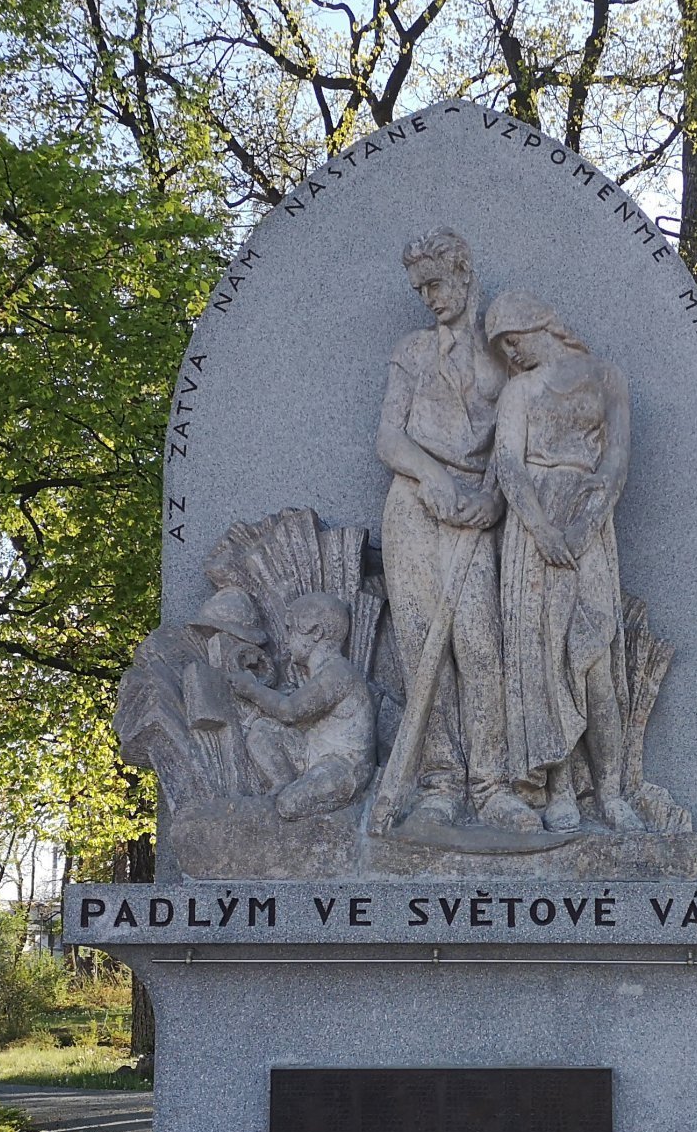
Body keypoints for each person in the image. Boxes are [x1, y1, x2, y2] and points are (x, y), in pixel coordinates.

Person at [373, 229, 540, 834]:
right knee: (424, 648)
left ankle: (491, 784)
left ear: (464, 273)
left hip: (477, 510)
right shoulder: (412, 353)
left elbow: (518, 439)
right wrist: (430, 478)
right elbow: (389, 436)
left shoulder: (503, 352)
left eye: (436, 283)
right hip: (415, 508)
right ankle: (441, 782)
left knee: (478, 641)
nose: (428, 298)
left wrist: (494, 495)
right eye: (419, 289)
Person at [484, 291, 641, 832]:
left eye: (513, 339)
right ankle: (559, 790)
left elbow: (617, 456)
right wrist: (541, 529)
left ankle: (612, 792)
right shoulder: (519, 392)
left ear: (538, 324)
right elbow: (508, 463)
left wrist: (585, 523)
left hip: (589, 521)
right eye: (502, 348)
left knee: (595, 660)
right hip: (532, 535)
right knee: (542, 662)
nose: (511, 354)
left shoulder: (606, 378)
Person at [227, 593, 376, 821]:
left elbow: (289, 711)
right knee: (261, 731)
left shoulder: (338, 673)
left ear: (316, 633)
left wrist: (252, 689)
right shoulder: (321, 673)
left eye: (291, 630)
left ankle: (295, 803)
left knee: (290, 805)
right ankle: (282, 783)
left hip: (343, 766)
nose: (286, 639)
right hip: (311, 752)